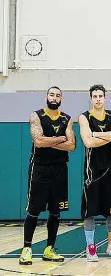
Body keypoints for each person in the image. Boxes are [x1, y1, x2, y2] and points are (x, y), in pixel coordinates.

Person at [19, 86, 76, 265]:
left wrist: (49, 141)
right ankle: (27, 248)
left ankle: (49, 249)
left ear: (61, 99)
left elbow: (72, 145)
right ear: (46, 97)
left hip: (59, 170)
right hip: (40, 169)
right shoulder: (36, 116)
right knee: (34, 210)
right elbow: (38, 141)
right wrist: (60, 139)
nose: (54, 98)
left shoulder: (67, 119)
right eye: (52, 94)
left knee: (55, 211)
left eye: (58, 95)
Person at [78, 84, 111, 262]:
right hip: (93, 171)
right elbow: (88, 143)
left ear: (106, 98)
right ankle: (91, 248)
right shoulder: (84, 117)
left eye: (100, 96)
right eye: (95, 96)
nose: (98, 99)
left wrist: (97, 134)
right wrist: (109, 135)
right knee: (89, 212)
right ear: (91, 99)